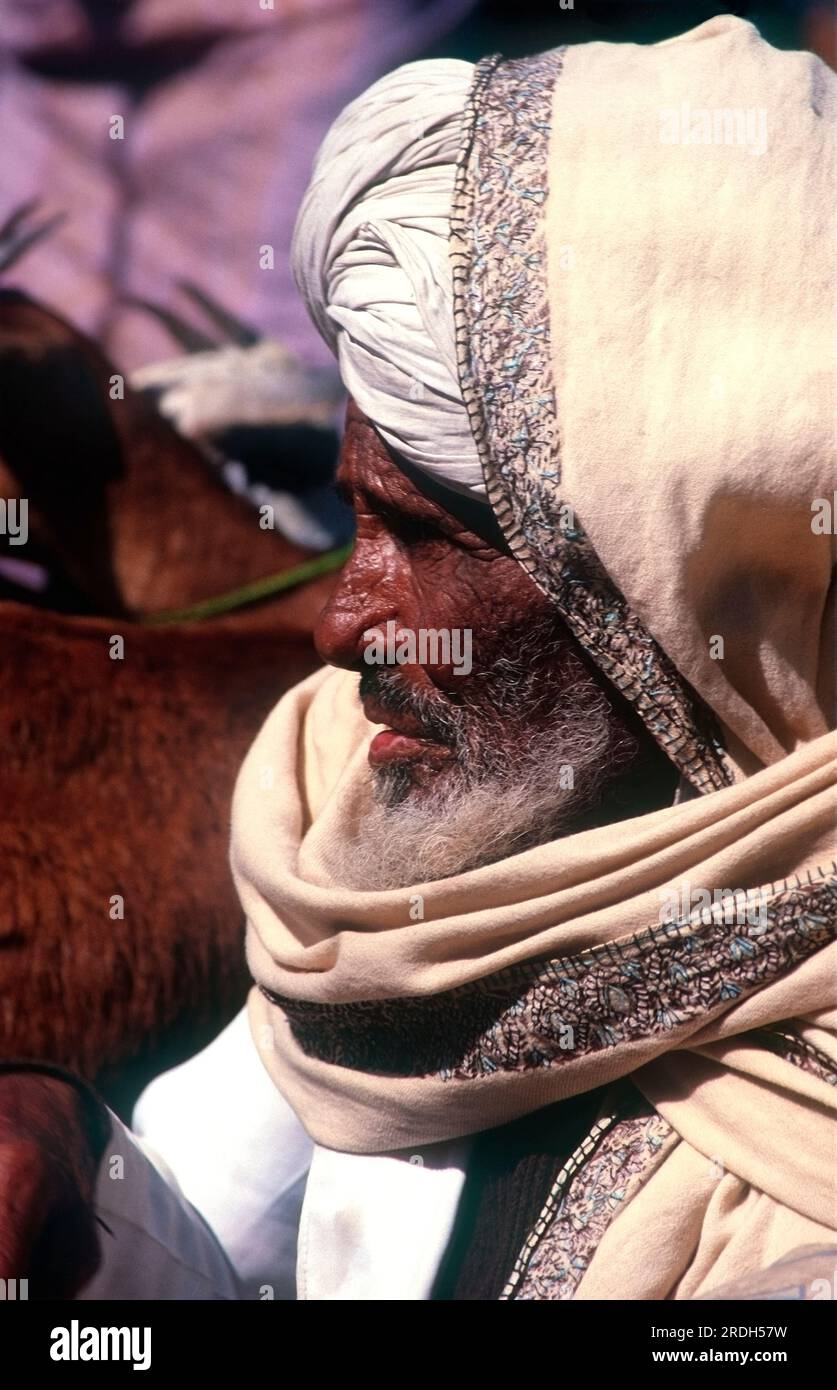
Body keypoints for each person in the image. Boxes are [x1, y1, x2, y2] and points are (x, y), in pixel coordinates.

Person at [0, 14, 834, 1301]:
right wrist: (59, 1150)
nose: (339, 625)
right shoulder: (370, 849)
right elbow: (210, 1245)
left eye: (420, 535)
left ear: (668, 577)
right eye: (354, 515)